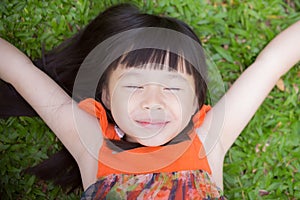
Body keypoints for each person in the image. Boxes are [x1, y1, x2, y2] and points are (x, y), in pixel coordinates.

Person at [0, 3, 299, 199]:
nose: (152, 101)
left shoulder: (208, 141)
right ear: (105, 94)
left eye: (173, 88)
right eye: (134, 85)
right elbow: (20, 72)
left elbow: (270, 65)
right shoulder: (92, 144)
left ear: (196, 103)